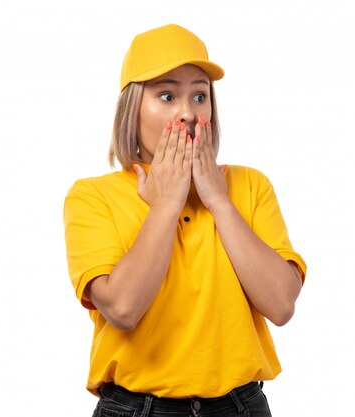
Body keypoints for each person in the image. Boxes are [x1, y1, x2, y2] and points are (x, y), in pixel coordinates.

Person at [63, 23, 307, 417]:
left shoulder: (250, 185)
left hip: (241, 406)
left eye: (199, 95)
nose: (188, 113)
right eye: (166, 95)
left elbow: (281, 306)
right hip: (137, 409)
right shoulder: (92, 196)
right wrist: (166, 205)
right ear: (132, 109)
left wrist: (218, 200)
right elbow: (123, 309)